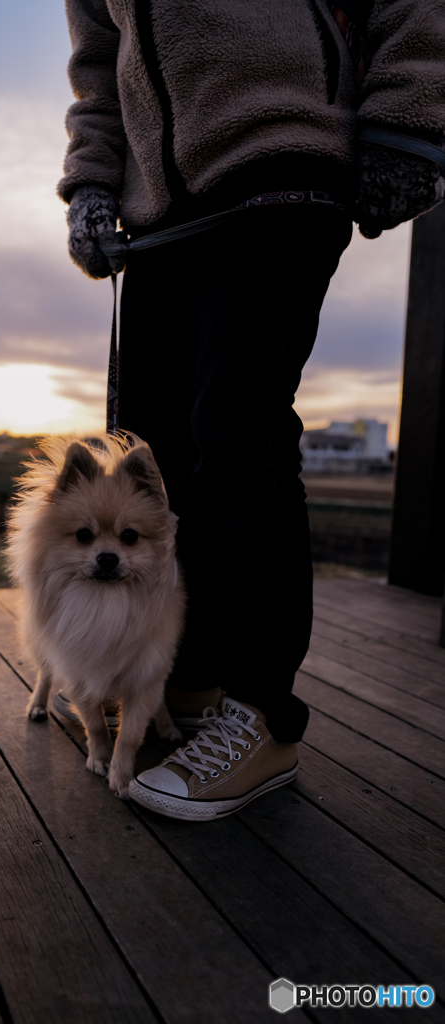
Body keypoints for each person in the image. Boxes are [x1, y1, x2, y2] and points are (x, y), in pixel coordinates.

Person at [58, 0, 445, 820]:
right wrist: (91, 183)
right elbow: (98, 63)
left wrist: (411, 118)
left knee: (237, 437)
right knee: (151, 461)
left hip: (281, 151)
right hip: (157, 207)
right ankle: (188, 682)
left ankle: (262, 715)